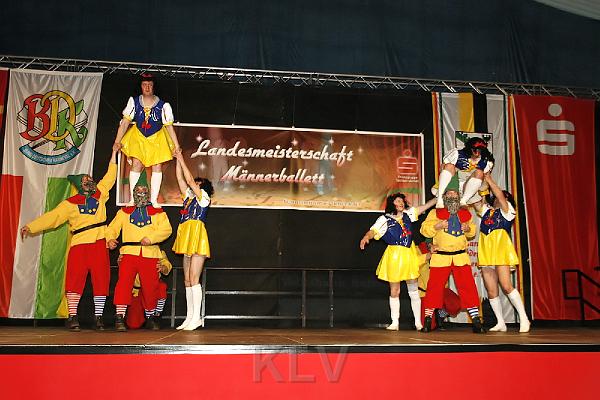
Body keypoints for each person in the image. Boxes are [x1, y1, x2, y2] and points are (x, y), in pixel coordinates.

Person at [19, 145, 120, 331]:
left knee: (101, 280)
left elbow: (110, 176)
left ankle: (98, 317)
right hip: (79, 245)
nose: (90, 181)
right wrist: (31, 226)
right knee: (74, 280)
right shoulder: (70, 204)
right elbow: (53, 217)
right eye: (86, 180)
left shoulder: (100, 194)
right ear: (79, 185)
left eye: (90, 179)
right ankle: (73, 316)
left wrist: (114, 153)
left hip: (99, 243)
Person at [106, 171, 173, 331]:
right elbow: (112, 228)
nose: (141, 193)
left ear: (149, 193)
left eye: (144, 190)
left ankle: (150, 317)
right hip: (129, 253)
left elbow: (167, 229)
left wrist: (151, 238)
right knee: (123, 285)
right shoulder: (124, 212)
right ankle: (119, 317)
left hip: (150, 253)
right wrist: (110, 239)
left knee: (151, 287)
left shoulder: (158, 213)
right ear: (133, 192)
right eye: (138, 190)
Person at [360, 193, 436, 331]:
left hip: (409, 254)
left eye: (402, 201)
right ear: (392, 204)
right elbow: (373, 231)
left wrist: (437, 199)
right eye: (398, 201)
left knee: (414, 290)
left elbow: (423, 207)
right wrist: (366, 237)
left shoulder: (408, 215)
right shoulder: (384, 219)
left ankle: (418, 323)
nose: (401, 203)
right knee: (395, 290)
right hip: (394, 256)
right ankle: (395, 322)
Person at [420, 174, 485, 333]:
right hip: (440, 257)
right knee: (434, 288)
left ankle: (476, 321)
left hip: (460, 257)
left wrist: (468, 229)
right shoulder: (435, 213)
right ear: (444, 196)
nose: (451, 196)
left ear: (459, 196)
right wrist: (436, 226)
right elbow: (424, 230)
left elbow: (472, 232)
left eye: (454, 193)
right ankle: (428, 320)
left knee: (468, 287)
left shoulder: (466, 214)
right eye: (448, 193)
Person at [114, 73, 181, 207]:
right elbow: (125, 123)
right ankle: (133, 199)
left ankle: (154, 200)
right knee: (136, 164)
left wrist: (176, 145)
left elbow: (169, 127)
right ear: (140, 86)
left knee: (157, 166)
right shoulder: (134, 102)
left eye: (150, 85)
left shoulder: (163, 106)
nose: (147, 87)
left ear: (154, 87)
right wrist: (117, 141)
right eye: (144, 85)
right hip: (139, 137)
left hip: (156, 138)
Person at [474, 174, 530, 333]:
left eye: (503, 197)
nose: (499, 198)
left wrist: (489, 179)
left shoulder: (509, 211)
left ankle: (524, 318)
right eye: (498, 197)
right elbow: (475, 202)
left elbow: (499, 195)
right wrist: (476, 181)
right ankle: (500, 322)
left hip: (500, 249)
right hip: (486, 251)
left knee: (506, 285)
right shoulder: (487, 210)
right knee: (491, 290)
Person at [172, 149, 213, 330]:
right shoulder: (188, 199)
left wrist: (181, 157)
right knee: (187, 280)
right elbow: (181, 179)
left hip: (196, 235)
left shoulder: (204, 198)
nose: (193, 184)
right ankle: (189, 317)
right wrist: (176, 159)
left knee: (194, 278)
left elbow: (188, 180)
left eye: (197, 183)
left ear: (202, 187)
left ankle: (197, 318)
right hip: (185, 234)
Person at [435, 137, 494, 208]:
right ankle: (440, 198)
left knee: (479, 172)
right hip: (452, 184)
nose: (477, 152)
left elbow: (485, 181)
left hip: (470, 188)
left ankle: (463, 201)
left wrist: (483, 197)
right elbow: (442, 168)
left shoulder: (486, 161)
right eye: (475, 149)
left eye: (480, 150)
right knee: (449, 166)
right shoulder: (457, 154)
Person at [125, 251, 172, 330]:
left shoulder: (157, 251)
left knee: (161, 287)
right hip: (137, 290)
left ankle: (155, 315)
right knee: (133, 324)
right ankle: (144, 317)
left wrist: (163, 267)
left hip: (152, 288)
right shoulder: (129, 249)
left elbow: (166, 265)